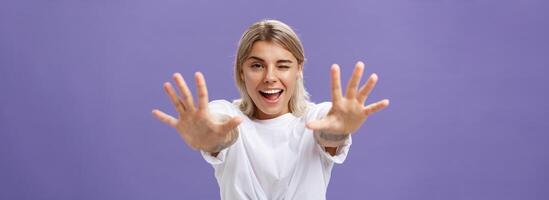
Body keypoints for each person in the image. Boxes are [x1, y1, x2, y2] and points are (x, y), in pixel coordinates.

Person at [152, 19, 390, 200]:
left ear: (299, 70)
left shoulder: (315, 118)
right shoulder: (229, 116)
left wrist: (339, 131)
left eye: (283, 66)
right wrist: (210, 138)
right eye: (257, 66)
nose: (270, 77)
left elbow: (328, 131)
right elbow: (220, 131)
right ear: (241, 72)